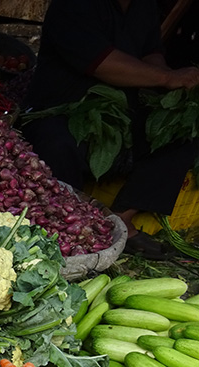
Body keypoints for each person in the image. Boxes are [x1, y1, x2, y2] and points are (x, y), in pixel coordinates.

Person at [21, 0, 199, 254]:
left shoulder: (143, 7)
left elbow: (151, 51)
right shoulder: (72, 5)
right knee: (57, 142)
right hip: (64, 110)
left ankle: (121, 220)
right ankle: (69, 226)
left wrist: (171, 80)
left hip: (119, 115)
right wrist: (168, 78)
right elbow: (102, 64)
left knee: (181, 131)